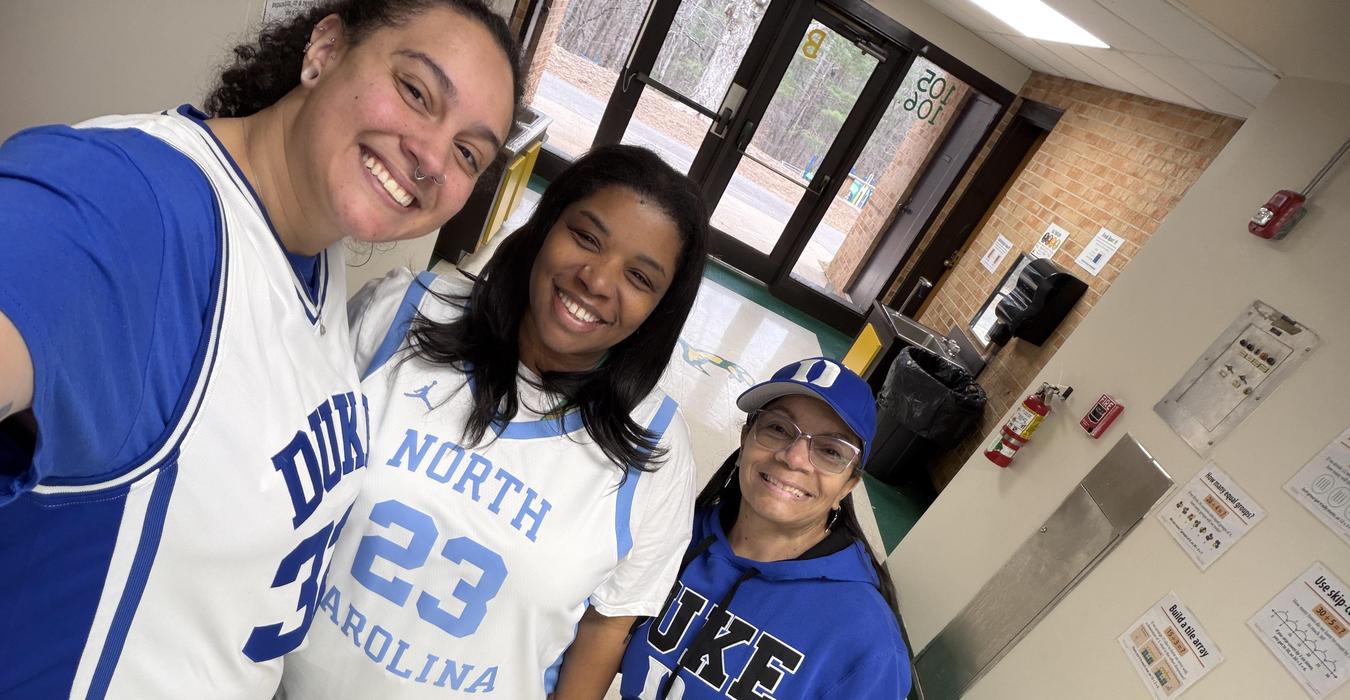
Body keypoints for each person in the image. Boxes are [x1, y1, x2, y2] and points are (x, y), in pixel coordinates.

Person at [0, 1, 519, 696]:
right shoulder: (137, 207)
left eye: (467, 154)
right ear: (325, 50)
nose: (430, 157)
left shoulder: (313, 249)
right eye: (416, 91)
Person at [279, 144, 710, 699]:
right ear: (543, 226)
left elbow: (605, 630)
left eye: (639, 277)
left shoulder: (656, 447)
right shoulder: (406, 313)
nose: (597, 280)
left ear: (661, 309)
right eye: (585, 237)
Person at [619, 357, 914, 699]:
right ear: (746, 437)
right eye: (778, 428)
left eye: (831, 450)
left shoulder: (867, 646)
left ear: (848, 486)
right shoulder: (675, 533)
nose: (794, 458)